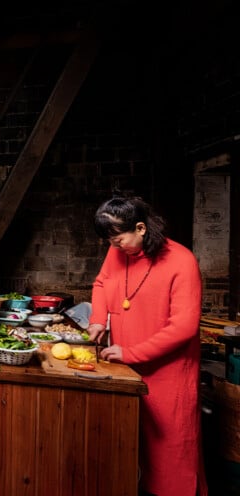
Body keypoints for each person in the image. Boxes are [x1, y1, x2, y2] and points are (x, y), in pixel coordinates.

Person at [86, 195, 207, 496]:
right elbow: (101, 283)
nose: (114, 247)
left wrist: (131, 353)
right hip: (126, 367)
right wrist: (98, 319)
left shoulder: (182, 261)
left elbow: (184, 327)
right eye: (110, 242)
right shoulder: (119, 249)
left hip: (168, 373)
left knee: (170, 449)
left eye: (118, 240)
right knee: (131, 444)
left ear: (140, 228)